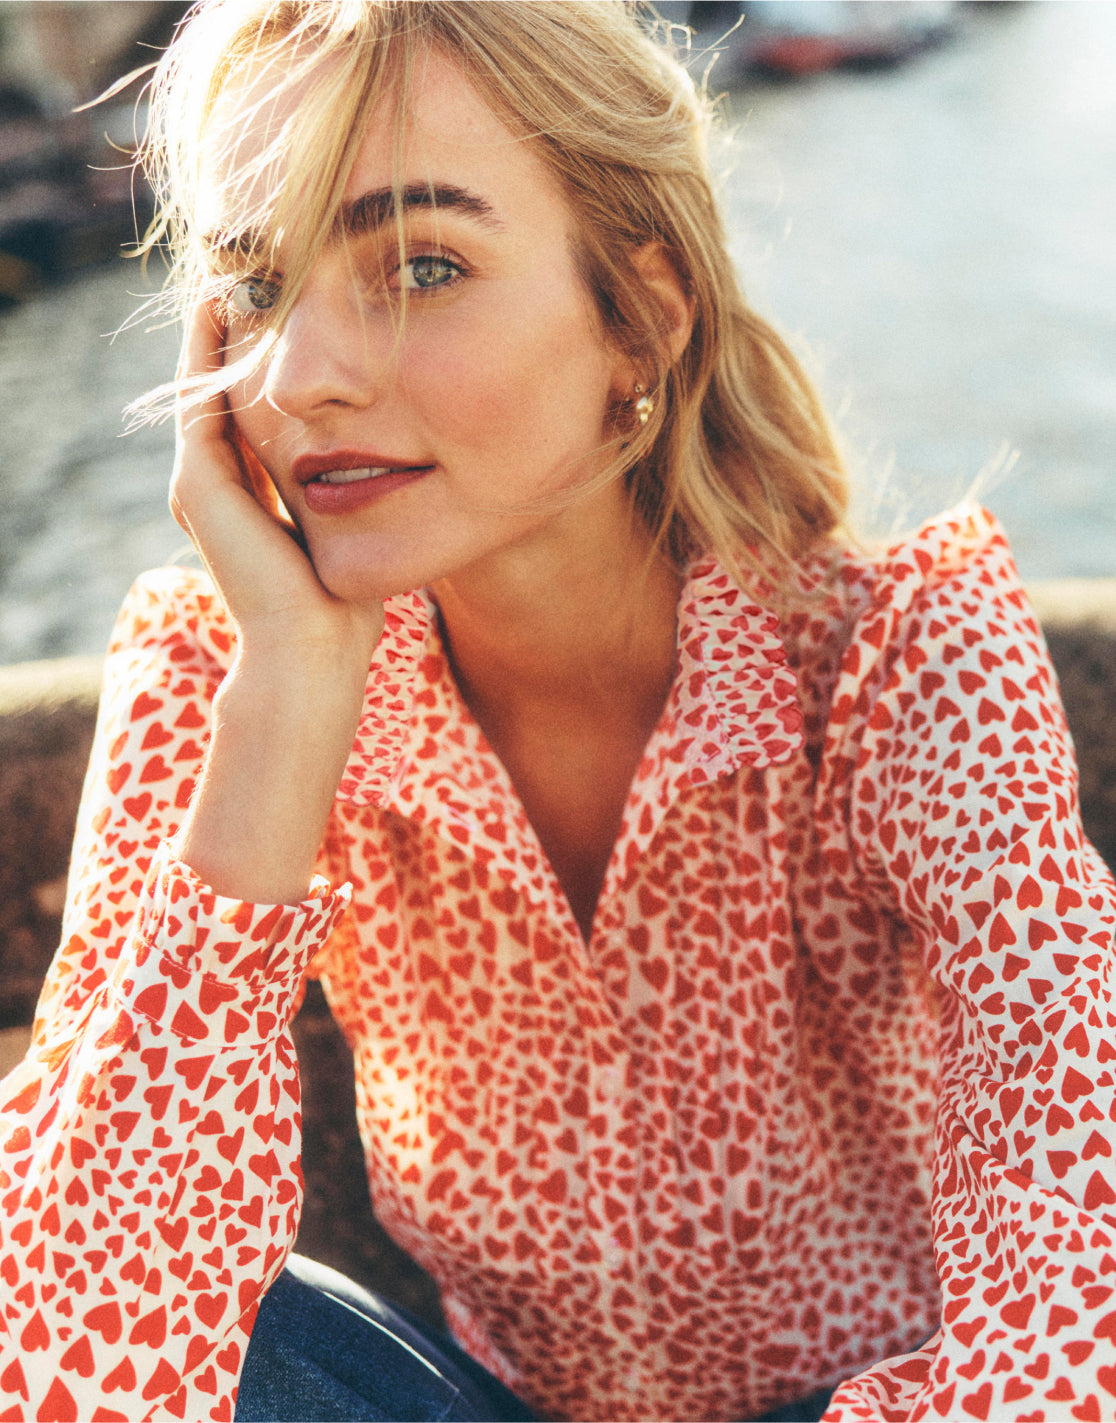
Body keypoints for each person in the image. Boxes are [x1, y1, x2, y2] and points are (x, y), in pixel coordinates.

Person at [1, 2, 1113, 1420]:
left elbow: (1081, 1228)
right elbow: (61, 1360)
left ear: (640, 314)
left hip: (869, 1404)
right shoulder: (224, 677)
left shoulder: (897, 656)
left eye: (421, 263)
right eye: (261, 286)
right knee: (156, 1289)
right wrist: (290, 682)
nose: (298, 375)